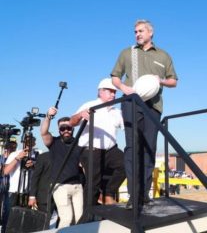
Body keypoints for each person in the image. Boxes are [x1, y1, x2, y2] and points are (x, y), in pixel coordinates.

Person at [111, 19, 178, 210]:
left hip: (153, 107)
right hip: (131, 103)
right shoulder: (127, 52)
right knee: (133, 148)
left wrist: (160, 80)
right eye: (135, 31)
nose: (137, 34)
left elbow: (174, 81)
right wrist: (125, 88)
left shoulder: (163, 56)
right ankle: (133, 195)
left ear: (150, 33)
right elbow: (115, 76)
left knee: (149, 149)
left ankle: (145, 194)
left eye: (141, 31)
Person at [70, 78, 125, 207]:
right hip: (91, 150)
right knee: (93, 183)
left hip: (110, 150)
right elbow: (72, 122)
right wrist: (79, 115)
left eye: (114, 92)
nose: (113, 94)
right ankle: (87, 216)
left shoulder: (117, 112)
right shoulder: (90, 105)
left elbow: (128, 128)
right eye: (110, 91)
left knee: (126, 164)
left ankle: (108, 193)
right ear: (100, 92)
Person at [41, 109, 83, 228]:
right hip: (60, 186)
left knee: (80, 219)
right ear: (59, 130)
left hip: (77, 186)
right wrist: (48, 116)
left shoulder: (78, 142)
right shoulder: (54, 142)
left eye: (68, 128)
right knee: (66, 219)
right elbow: (44, 132)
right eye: (62, 128)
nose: (66, 131)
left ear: (73, 129)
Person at [2, 139, 34, 232]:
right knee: (9, 219)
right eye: (26, 142)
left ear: (34, 142)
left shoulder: (36, 154)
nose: (28, 144)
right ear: (23, 143)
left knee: (25, 221)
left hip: (28, 192)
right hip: (14, 192)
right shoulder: (14, 154)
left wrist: (34, 164)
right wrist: (17, 158)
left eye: (31, 141)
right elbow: (5, 171)